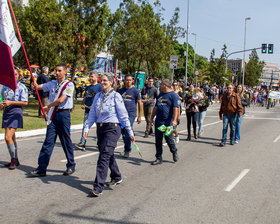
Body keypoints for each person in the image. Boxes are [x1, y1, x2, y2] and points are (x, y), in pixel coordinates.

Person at [83, 73, 135, 197]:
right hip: (100, 129)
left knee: (103, 156)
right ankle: (116, 176)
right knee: (107, 154)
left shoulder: (116, 96)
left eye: (105, 81)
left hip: (113, 128)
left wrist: (130, 131)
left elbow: (123, 115)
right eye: (102, 81)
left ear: (111, 82)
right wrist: (86, 127)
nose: (103, 82)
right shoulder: (98, 96)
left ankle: (98, 186)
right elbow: (92, 114)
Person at [28, 63, 76, 177]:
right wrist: (34, 85)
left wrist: (48, 106)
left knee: (65, 141)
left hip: (63, 115)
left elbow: (60, 100)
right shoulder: (52, 83)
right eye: (56, 71)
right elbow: (39, 86)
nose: (57, 73)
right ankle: (41, 168)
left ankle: (71, 165)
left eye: (60, 71)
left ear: (65, 72)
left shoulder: (69, 85)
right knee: (48, 142)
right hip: (53, 117)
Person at [0, 69, 28, 169]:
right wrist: (2, 105)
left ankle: (13, 159)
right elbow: (3, 100)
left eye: (16, 74)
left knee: (7, 137)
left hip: (15, 112)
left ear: (19, 75)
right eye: (12, 74)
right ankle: (15, 158)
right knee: (12, 137)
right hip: (7, 112)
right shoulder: (4, 87)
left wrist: (11, 103)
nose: (14, 76)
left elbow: (25, 102)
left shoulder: (21, 87)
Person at [150, 79, 180, 165]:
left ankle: (174, 151)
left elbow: (176, 108)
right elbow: (156, 107)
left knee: (169, 139)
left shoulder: (173, 95)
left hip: (168, 124)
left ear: (165, 85)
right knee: (158, 140)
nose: (159, 86)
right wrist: (152, 118)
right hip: (159, 122)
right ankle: (158, 158)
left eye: (161, 84)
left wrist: (174, 120)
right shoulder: (160, 95)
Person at [74, 72, 102, 151]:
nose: (90, 78)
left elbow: (101, 98)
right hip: (87, 111)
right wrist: (83, 104)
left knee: (99, 128)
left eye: (92, 76)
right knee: (85, 126)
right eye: (90, 76)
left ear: (96, 78)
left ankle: (100, 142)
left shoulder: (99, 87)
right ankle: (82, 143)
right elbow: (86, 97)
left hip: (97, 112)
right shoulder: (87, 87)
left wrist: (94, 106)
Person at [118, 74, 142, 158]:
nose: (128, 81)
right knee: (123, 131)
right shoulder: (120, 91)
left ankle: (127, 150)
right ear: (124, 81)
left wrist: (139, 116)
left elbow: (139, 103)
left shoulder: (135, 91)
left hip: (131, 114)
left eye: (129, 80)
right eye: (126, 80)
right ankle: (128, 144)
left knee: (126, 132)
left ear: (132, 81)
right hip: (121, 115)